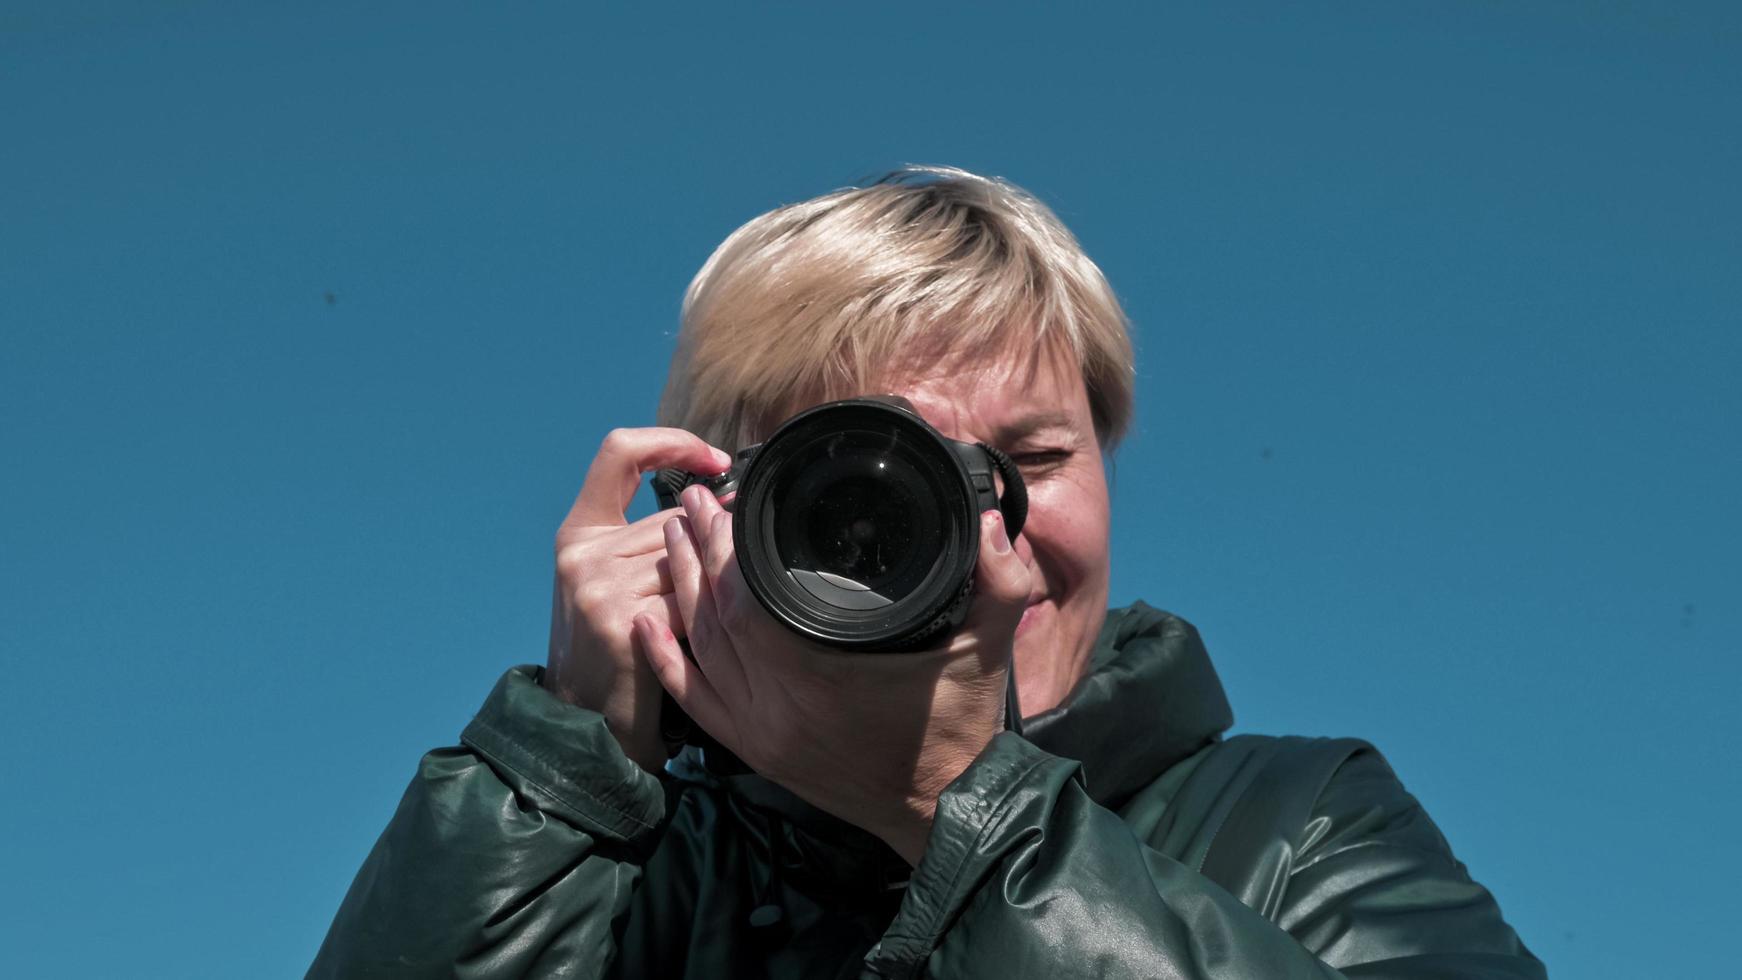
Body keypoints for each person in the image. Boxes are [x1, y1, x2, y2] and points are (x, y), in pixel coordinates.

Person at [310, 167, 1544, 978]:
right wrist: (567, 764)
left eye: (1027, 459)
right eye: (870, 492)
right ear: (708, 511)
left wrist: (960, 804)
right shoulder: (652, 876)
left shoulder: (1298, 821)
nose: (981, 535)